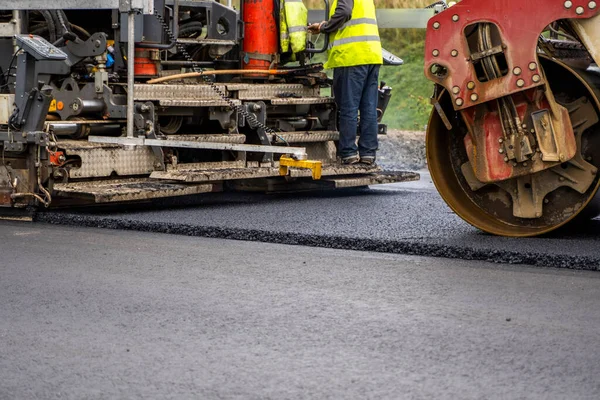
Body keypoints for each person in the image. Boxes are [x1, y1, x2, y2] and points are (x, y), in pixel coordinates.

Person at [308, 0, 382, 165]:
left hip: (351, 57)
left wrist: (324, 27)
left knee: (348, 107)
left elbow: (344, 12)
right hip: (371, 55)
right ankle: (368, 153)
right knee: (368, 108)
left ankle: (348, 153)